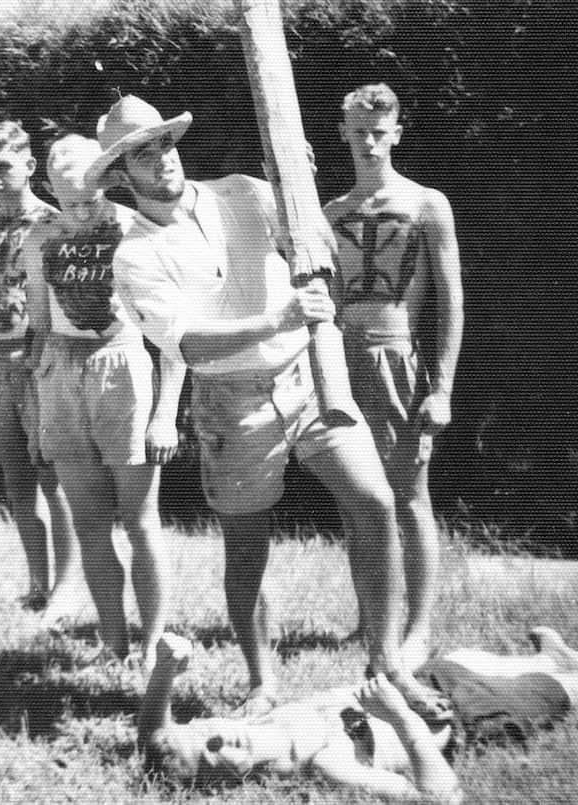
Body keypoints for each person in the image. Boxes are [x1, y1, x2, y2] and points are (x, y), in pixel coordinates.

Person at [97, 95, 443, 715]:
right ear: (122, 174)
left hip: (310, 378)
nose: (161, 161)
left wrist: (297, 180)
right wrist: (277, 316)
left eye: (164, 144)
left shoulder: (243, 191)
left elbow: (310, 238)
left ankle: (387, 664)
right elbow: (190, 344)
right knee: (248, 548)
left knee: (375, 499)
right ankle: (262, 683)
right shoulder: (134, 253)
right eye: (141, 155)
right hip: (231, 405)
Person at [21, 135, 186, 662]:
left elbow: (173, 332)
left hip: (124, 369)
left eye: (90, 193)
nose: (82, 206)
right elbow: (40, 331)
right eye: (69, 198)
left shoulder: (132, 227)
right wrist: (37, 410)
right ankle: (114, 645)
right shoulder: (37, 238)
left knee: (140, 522)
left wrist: (165, 414)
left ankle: (155, 643)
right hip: (63, 376)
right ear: (48, 188)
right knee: (90, 524)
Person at [323, 83, 464, 667]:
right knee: (355, 499)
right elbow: (323, 300)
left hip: (399, 360)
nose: (370, 143)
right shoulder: (332, 213)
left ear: (397, 133)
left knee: (408, 499)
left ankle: (419, 628)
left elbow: (452, 302)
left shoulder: (427, 204)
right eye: (359, 132)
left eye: (380, 132)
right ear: (345, 135)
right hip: (342, 363)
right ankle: (369, 617)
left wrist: (443, 389)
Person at [139, 627, 578, 801]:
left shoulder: (259, 723)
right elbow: (437, 797)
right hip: (468, 715)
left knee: (467, 658)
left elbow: (154, 734)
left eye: (206, 733)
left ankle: (553, 657)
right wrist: (401, 718)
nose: (222, 740)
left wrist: (163, 670)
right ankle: (560, 675)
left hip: (427, 683)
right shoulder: (326, 765)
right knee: (556, 691)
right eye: (212, 756)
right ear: (228, 782)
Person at [0, 120, 85, 619]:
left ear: (30, 167)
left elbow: (67, 303)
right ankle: (37, 581)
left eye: (4, 168)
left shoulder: (54, 224)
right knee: (16, 482)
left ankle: (68, 584)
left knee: (52, 480)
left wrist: (45, 356)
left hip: (40, 361)